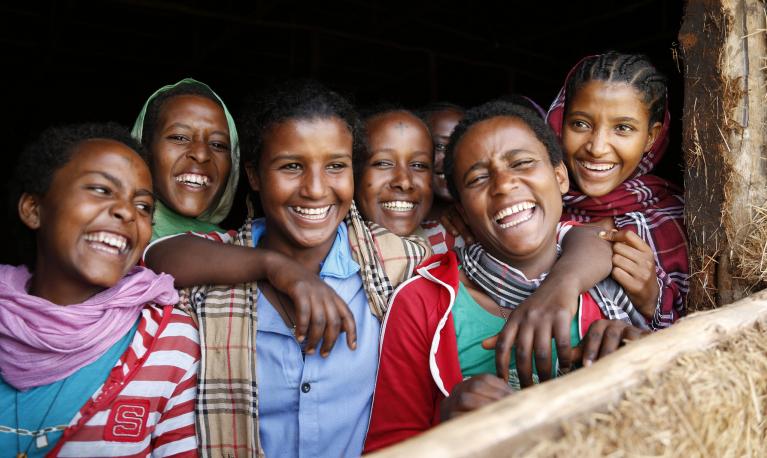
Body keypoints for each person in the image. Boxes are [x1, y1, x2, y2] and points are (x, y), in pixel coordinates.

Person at [145, 80, 429, 457]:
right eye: (292, 166)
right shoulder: (213, 270)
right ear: (254, 175)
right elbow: (155, 255)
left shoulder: (400, 264)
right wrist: (274, 266)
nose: (314, 189)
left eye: (335, 166)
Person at [364, 102, 649, 452]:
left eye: (522, 163)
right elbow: (387, 445)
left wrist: (640, 356)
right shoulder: (421, 300)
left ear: (560, 177)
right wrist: (445, 421)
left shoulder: (616, 272)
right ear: (462, 211)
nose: (503, 185)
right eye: (478, 178)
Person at [0, 123, 200, 457]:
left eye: (143, 206)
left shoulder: (168, 340)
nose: (126, 211)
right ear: (34, 210)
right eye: (101, 190)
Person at [547, 52, 688, 329]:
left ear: (651, 137)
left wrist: (653, 299)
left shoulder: (684, 220)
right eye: (580, 124)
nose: (597, 147)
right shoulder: (534, 207)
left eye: (622, 128)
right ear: (560, 123)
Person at [131, 78, 240, 240]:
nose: (201, 155)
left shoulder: (238, 243)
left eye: (218, 144)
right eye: (180, 138)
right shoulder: (116, 233)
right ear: (144, 150)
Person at [355, 107, 434, 237]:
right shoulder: (327, 254)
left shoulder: (454, 247)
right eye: (383, 163)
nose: (404, 182)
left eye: (418, 165)